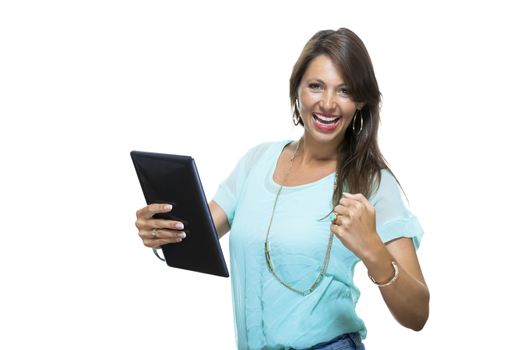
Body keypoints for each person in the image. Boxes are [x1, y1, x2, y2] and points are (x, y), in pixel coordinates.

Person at [135, 28, 429, 350]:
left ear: (360, 101)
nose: (328, 103)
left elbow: (417, 315)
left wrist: (373, 249)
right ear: (297, 91)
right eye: (316, 86)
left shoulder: (372, 181)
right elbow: (196, 238)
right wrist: (161, 231)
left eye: (344, 91)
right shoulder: (257, 161)